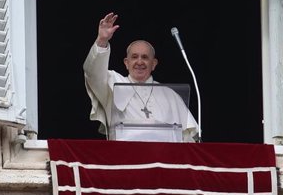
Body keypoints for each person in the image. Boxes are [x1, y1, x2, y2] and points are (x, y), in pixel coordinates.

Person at [83, 12, 199, 142]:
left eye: (145, 57)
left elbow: (189, 137)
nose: (139, 62)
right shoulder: (113, 84)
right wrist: (102, 40)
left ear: (153, 64)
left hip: (163, 159)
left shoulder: (170, 95)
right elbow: (93, 73)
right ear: (126, 63)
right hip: (124, 158)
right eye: (134, 57)